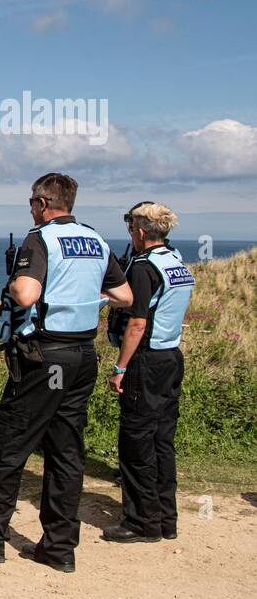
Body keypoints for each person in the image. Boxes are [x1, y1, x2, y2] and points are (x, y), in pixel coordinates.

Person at [0, 173, 131, 572]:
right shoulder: (95, 239)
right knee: (66, 452)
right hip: (83, 354)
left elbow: (27, 294)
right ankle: (59, 548)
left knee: (11, 445)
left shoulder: (40, 238)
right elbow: (124, 296)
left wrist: (16, 283)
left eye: (32, 201)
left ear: (44, 203)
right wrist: (82, 297)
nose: (31, 208)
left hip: (44, 355)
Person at [103, 202, 194, 544]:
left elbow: (138, 322)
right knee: (162, 440)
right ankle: (166, 518)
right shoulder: (176, 262)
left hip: (146, 360)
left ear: (140, 232)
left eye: (131, 230)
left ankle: (142, 522)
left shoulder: (143, 267)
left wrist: (120, 367)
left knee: (136, 441)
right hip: (171, 356)